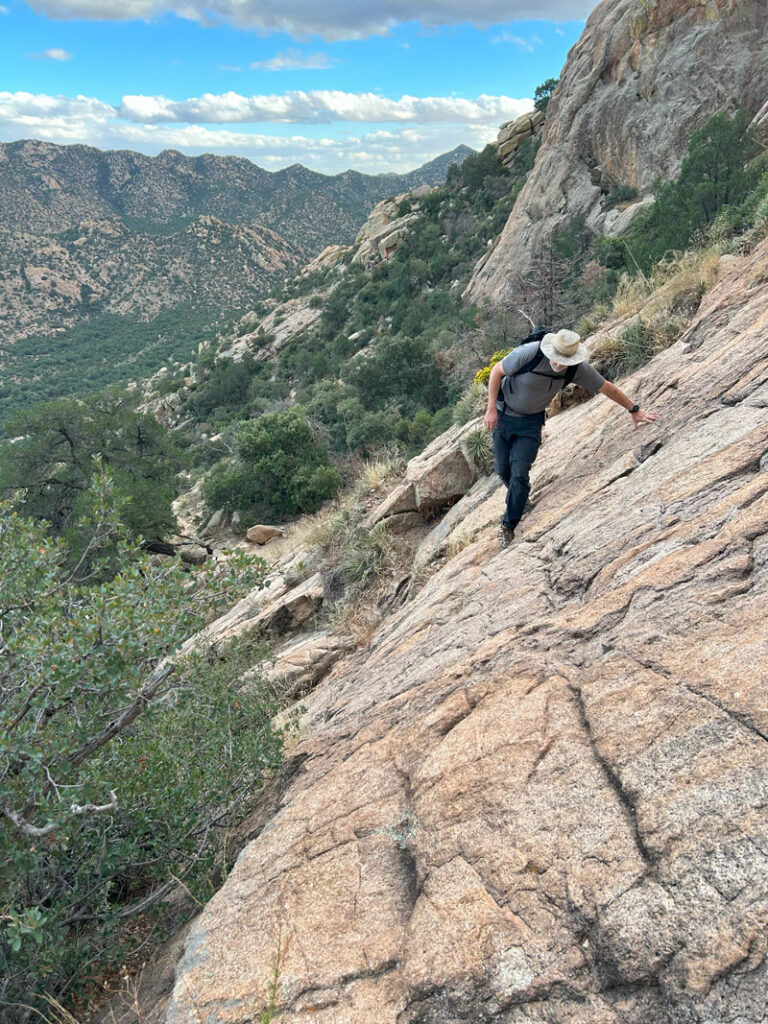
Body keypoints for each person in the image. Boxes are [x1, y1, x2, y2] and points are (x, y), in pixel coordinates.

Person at [483, 328, 658, 549]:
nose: (558, 364)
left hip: (530, 424)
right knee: (502, 469)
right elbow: (496, 372)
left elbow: (606, 387)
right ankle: (521, 498)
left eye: (563, 361)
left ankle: (508, 525)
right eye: (556, 359)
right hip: (504, 415)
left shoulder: (576, 369)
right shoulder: (530, 353)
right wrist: (491, 409)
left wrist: (634, 409)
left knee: (518, 472)